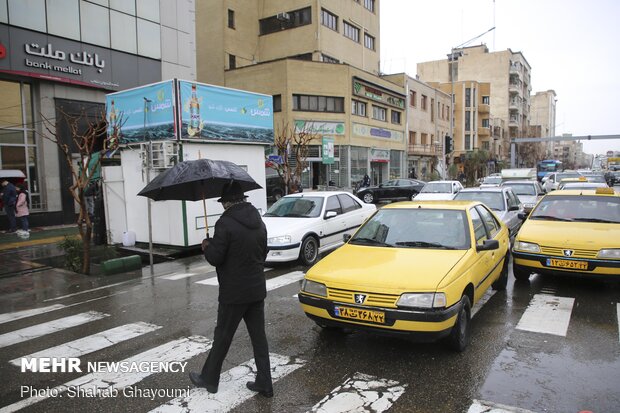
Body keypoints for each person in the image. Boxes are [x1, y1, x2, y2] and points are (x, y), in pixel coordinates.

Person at [189, 180, 273, 397]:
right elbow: (263, 252)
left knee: (223, 336)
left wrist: (207, 246)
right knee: (259, 338)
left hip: (234, 293)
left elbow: (216, 258)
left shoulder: (224, 223)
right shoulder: (259, 221)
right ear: (243, 199)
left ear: (227, 202)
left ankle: (209, 379)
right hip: (256, 290)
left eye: (223, 203)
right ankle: (265, 382)